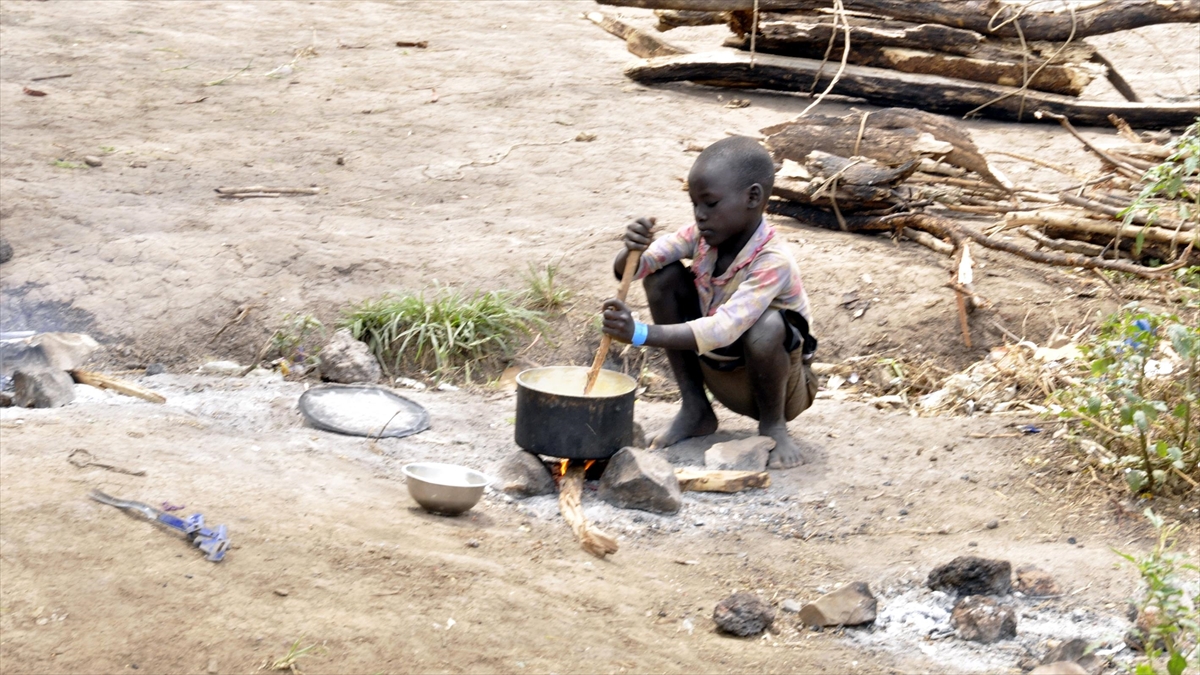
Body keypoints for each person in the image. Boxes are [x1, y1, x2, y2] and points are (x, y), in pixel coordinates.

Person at [601, 136, 818, 469]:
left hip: (781, 387)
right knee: (663, 276)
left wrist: (640, 333)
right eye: (695, 204)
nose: (700, 215)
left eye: (710, 203)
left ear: (753, 197)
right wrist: (631, 250)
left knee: (768, 326)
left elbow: (722, 329)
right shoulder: (700, 237)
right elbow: (642, 265)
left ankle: (774, 427)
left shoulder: (772, 261)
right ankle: (696, 408)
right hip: (719, 367)